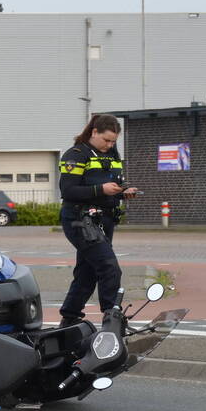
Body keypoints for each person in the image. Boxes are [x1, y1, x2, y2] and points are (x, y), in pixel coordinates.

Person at [58, 114, 139, 326]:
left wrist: (123, 191)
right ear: (94, 132)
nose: (110, 145)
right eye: (106, 140)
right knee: (108, 266)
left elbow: (111, 182)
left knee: (88, 272)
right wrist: (100, 189)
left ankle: (69, 318)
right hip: (80, 219)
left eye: (113, 141)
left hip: (104, 220)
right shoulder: (76, 155)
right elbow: (68, 190)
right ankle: (112, 319)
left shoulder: (112, 154)